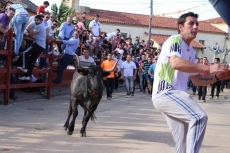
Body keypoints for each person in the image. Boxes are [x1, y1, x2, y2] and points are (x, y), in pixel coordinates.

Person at [152, 12, 229, 153]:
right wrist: (209, 68)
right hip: (166, 93)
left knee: (182, 144)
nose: (195, 27)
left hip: (173, 97)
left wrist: (218, 77)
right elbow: (175, 63)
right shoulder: (175, 40)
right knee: (199, 117)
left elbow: (197, 80)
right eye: (191, 23)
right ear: (181, 27)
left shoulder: (191, 51)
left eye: (197, 24)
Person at [17, 15, 46, 80]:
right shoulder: (42, 27)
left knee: (24, 53)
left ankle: (24, 68)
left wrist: (25, 34)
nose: (36, 21)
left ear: (41, 21)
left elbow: (32, 34)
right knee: (32, 61)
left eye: (38, 20)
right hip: (42, 46)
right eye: (35, 20)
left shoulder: (39, 26)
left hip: (38, 44)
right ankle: (27, 76)